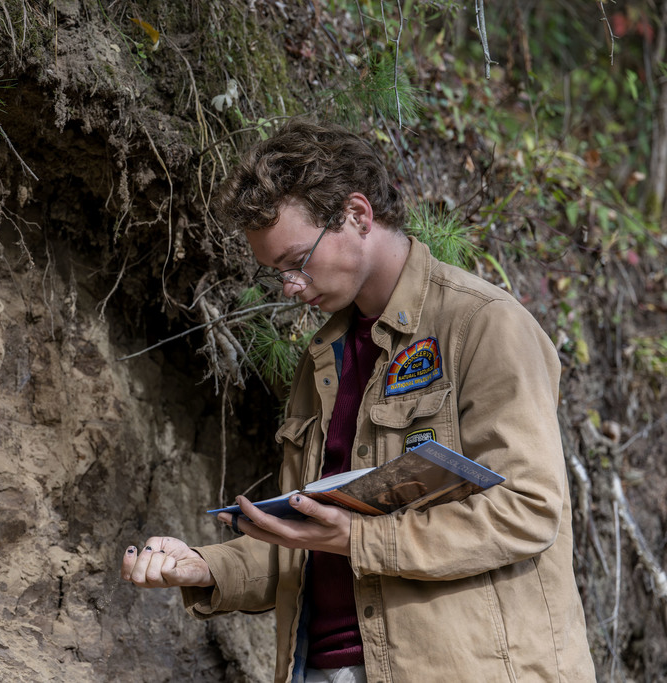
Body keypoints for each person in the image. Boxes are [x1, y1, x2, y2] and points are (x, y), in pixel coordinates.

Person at [120, 119, 596, 683]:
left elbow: (528, 510)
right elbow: (310, 542)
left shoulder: (483, 326)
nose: (290, 287)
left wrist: (361, 537)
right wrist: (205, 568)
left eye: (298, 261)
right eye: (277, 273)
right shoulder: (321, 360)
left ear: (358, 215)